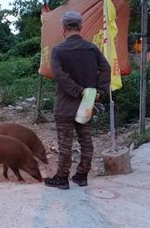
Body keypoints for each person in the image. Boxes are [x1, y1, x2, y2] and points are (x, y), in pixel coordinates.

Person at [44, 11, 111, 190]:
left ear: (64, 28)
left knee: (65, 143)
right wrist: (99, 91)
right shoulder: (91, 49)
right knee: (85, 140)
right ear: (80, 27)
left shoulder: (58, 50)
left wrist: (79, 91)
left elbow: (60, 76)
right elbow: (106, 68)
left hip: (66, 105)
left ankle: (62, 179)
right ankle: (81, 176)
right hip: (87, 104)